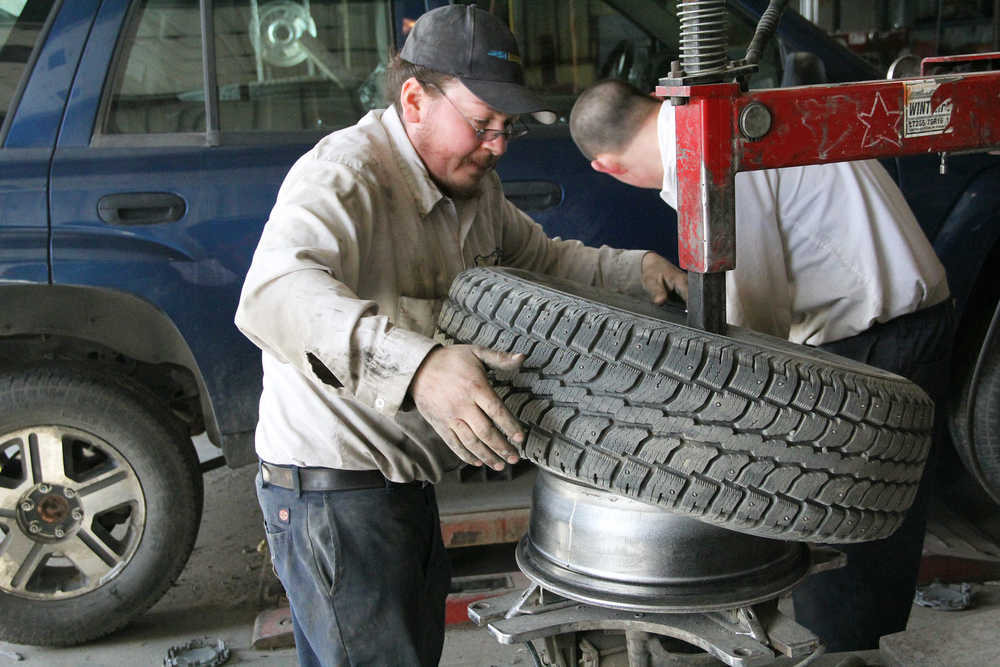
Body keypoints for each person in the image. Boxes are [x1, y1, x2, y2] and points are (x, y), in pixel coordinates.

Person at [234, 8, 686, 666]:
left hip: (401, 486)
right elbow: (274, 293)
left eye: (507, 129)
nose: (498, 144)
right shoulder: (346, 175)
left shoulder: (474, 188)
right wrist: (419, 369)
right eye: (482, 124)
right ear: (415, 99)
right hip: (332, 498)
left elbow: (545, 263)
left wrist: (634, 270)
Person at [568, 78, 955, 652]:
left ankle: (847, 656)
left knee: (842, 529)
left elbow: (753, 331)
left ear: (607, 168)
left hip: (879, 338)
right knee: (857, 524)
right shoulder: (730, 120)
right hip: (895, 320)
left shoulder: (714, 158)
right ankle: (851, 644)